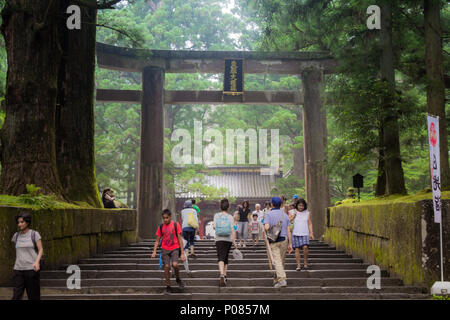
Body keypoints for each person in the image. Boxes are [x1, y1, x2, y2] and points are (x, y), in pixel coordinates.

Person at [151, 209, 186, 293]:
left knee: (175, 264)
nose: (165, 220)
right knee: (166, 267)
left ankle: (178, 279)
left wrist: (182, 253)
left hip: (175, 248)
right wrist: (154, 251)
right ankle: (168, 286)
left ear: (170, 217)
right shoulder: (161, 227)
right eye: (164, 218)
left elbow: (180, 239)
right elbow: (157, 240)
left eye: (167, 218)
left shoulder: (175, 225)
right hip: (165, 249)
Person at [11, 211, 43, 300]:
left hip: (31, 270)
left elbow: (40, 249)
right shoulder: (16, 236)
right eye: (18, 222)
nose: (19, 224)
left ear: (27, 222)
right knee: (16, 296)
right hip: (18, 270)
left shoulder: (34, 234)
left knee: (33, 296)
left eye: (22, 222)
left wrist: (37, 262)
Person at [264, 197, 292, 288]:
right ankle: (277, 280)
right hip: (284, 239)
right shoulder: (285, 215)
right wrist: (290, 243)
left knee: (277, 261)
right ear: (281, 205)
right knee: (281, 261)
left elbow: (267, 228)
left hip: (274, 240)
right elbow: (288, 230)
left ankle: (282, 279)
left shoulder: (268, 214)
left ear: (272, 204)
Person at [213, 198, 237, 287]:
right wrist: (234, 241)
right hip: (228, 239)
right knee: (225, 257)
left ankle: (222, 275)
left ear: (220, 207)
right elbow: (233, 229)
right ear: (228, 207)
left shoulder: (216, 215)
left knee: (220, 257)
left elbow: (214, 227)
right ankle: (225, 275)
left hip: (219, 238)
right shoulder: (230, 217)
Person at [290, 198, 314, 271]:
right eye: (299, 205)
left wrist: (311, 233)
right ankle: (298, 265)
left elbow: (309, 223)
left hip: (304, 233)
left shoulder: (307, 213)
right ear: (297, 205)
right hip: (295, 233)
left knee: (305, 247)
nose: (301, 207)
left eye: (302, 206)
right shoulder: (293, 212)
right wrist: (294, 215)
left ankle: (305, 262)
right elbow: (289, 220)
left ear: (304, 206)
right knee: (296, 249)